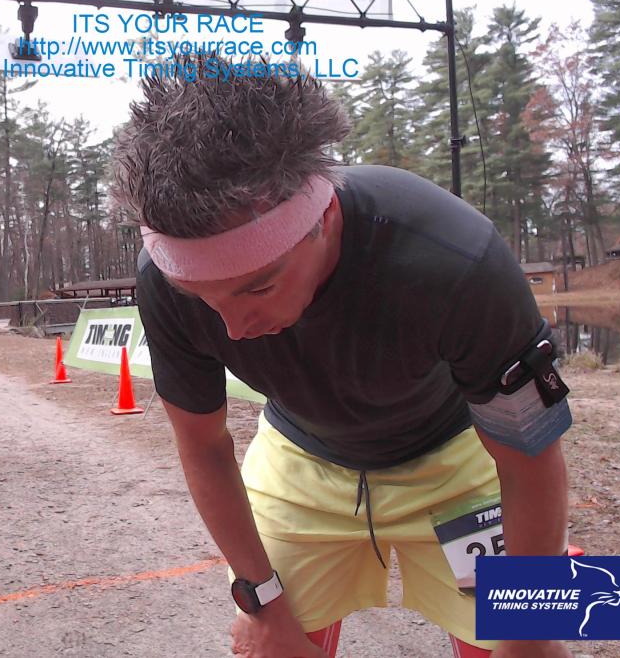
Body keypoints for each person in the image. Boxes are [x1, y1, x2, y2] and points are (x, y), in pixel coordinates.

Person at [112, 53, 575, 658]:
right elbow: (203, 446)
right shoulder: (158, 279)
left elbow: (532, 454)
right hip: (301, 462)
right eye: (201, 298)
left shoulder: (458, 257)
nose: (235, 328)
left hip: (461, 457)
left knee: (535, 646)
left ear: (325, 218)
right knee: (268, 649)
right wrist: (259, 603)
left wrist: (533, 630)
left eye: (258, 287)